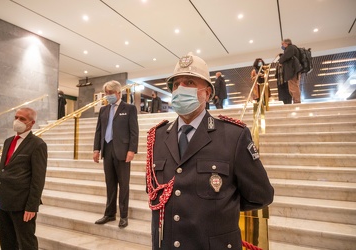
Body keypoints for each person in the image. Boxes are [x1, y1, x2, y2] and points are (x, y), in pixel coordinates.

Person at [146, 52, 274, 249]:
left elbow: (261, 195)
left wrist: (219, 208)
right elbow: (153, 191)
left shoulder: (233, 136)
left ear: (207, 93)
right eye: (176, 84)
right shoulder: (157, 137)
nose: (180, 89)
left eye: (189, 82)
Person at [0, 107, 47, 250]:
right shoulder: (8, 141)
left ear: (31, 123)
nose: (17, 121)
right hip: (3, 201)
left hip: (22, 204)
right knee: (7, 241)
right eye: (16, 117)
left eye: (22, 119)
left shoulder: (38, 144)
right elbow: (3, 170)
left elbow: (38, 179)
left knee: (26, 243)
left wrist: (32, 207)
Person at [93, 80, 139, 228]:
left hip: (123, 151)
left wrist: (132, 150)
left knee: (123, 185)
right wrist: (96, 149)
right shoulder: (103, 110)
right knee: (110, 184)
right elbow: (98, 131)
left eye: (110, 93)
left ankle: (123, 216)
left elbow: (134, 131)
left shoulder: (129, 109)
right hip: (107, 149)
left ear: (119, 93)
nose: (108, 96)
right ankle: (109, 214)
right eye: (106, 93)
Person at [279, 38, 302, 103]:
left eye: (282, 44)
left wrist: (280, 60)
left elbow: (284, 57)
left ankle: (297, 101)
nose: (282, 46)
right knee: (292, 86)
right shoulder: (293, 48)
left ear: (286, 43)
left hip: (292, 70)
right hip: (293, 70)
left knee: (293, 86)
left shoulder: (291, 48)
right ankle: (296, 100)